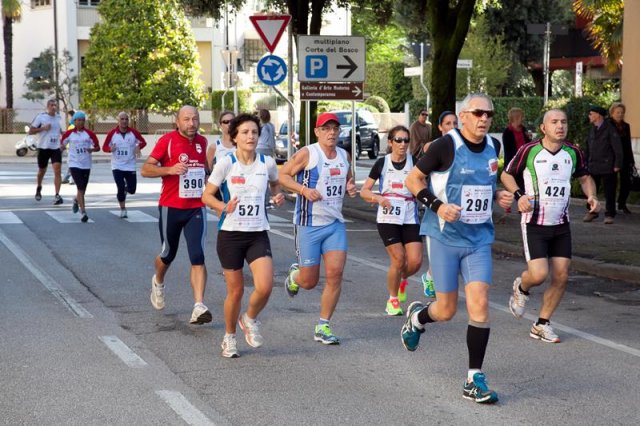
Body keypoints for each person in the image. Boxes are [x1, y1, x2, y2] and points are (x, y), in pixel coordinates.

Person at [400, 94, 513, 404]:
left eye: (489, 114)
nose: (484, 119)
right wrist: (437, 206)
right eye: (478, 113)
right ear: (463, 116)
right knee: (447, 310)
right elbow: (413, 179)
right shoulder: (445, 145)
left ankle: (473, 378)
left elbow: (485, 185)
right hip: (444, 237)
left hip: (478, 240)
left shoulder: (494, 146)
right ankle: (418, 318)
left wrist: (499, 196)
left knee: (480, 301)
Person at [501, 109, 599, 343]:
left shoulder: (573, 152)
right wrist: (519, 196)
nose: (560, 126)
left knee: (562, 276)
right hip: (535, 222)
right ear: (544, 128)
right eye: (554, 122)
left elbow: (585, 178)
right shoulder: (529, 150)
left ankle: (541, 324)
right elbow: (507, 175)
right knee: (538, 274)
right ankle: (522, 288)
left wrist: (592, 196)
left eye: (563, 122)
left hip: (561, 224)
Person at [202, 113, 285, 358]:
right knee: (236, 291)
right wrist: (222, 207)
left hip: (257, 232)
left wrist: (278, 196)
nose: (251, 136)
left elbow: (275, 184)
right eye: (245, 132)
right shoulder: (226, 163)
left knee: (266, 286)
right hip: (230, 234)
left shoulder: (266, 163)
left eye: (254, 132)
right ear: (235, 137)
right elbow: (206, 196)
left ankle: (249, 318)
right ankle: (229, 337)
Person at [278, 112, 357, 345]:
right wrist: (303, 191)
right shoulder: (308, 153)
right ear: (317, 132)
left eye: (335, 129)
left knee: (335, 274)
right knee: (309, 282)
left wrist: (350, 188)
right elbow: (282, 175)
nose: (331, 133)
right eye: (326, 129)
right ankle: (295, 276)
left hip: (334, 225)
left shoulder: (344, 155)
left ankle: (323, 325)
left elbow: (347, 181)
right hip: (308, 224)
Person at [140, 105, 212, 325]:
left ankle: (198, 305)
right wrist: (169, 170)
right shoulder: (167, 141)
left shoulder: (202, 143)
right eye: (187, 119)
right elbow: (145, 169)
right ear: (177, 122)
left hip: (196, 207)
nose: (192, 123)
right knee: (168, 253)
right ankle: (158, 280)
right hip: (171, 207)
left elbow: (204, 172)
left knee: (198, 255)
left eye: (195, 119)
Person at [359, 125, 422, 315]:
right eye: (398, 140)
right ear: (390, 142)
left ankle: (401, 278)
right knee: (399, 258)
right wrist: (378, 198)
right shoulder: (382, 163)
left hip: (410, 214)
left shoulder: (414, 162)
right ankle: (392, 300)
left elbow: (424, 183)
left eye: (406, 140)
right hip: (388, 216)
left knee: (416, 261)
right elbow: (364, 191)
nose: (402, 144)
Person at [419, 111, 461, 296]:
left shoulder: (464, 146)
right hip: (438, 209)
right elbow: (417, 177)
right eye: (448, 124)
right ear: (440, 127)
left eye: (455, 123)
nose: (452, 127)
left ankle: (433, 277)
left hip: (459, 210)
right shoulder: (433, 147)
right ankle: (431, 278)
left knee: (455, 255)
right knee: (441, 257)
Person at [102, 112, 147, 218]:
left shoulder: (133, 133)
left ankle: (125, 190)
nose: (124, 121)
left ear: (128, 120)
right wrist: (110, 149)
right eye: (122, 119)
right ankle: (123, 209)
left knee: (132, 190)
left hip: (130, 165)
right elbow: (104, 147)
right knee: (120, 187)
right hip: (117, 166)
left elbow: (143, 142)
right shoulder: (112, 133)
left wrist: (138, 146)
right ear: (118, 120)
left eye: (126, 119)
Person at [583, 105, 623, 224]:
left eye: (591, 114)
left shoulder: (610, 129)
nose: (589, 116)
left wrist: (617, 164)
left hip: (608, 166)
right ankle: (592, 212)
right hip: (593, 166)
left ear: (598, 115)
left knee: (609, 192)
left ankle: (609, 214)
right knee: (592, 192)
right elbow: (588, 147)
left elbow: (618, 148)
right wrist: (585, 163)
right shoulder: (592, 129)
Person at [60, 111, 101, 223]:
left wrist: (92, 149)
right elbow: (62, 144)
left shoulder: (89, 134)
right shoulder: (69, 134)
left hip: (86, 164)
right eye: (78, 120)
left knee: (83, 188)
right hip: (74, 163)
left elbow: (98, 147)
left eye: (83, 120)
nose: (81, 122)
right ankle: (83, 212)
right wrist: (60, 148)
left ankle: (75, 200)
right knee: (80, 186)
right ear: (74, 121)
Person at [29, 99, 64, 205]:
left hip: (55, 148)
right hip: (43, 147)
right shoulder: (41, 117)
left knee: (57, 170)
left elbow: (61, 131)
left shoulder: (59, 117)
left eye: (55, 105)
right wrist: (43, 128)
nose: (54, 107)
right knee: (41, 171)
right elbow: (31, 131)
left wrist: (64, 141)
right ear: (48, 106)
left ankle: (57, 195)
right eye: (52, 105)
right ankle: (39, 187)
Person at [609, 102, 634, 214]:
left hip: (625, 158)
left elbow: (628, 144)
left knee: (626, 182)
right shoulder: (608, 125)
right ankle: (611, 206)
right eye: (618, 112)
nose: (620, 114)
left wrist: (631, 160)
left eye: (622, 112)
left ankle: (622, 203)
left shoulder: (626, 126)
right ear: (612, 113)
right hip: (611, 159)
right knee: (612, 183)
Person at [62, 109, 76, 185]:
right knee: (71, 163)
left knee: (72, 163)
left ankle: (69, 178)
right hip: (69, 147)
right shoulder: (72, 126)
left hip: (71, 147)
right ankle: (68, 178)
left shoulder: (72, 126)